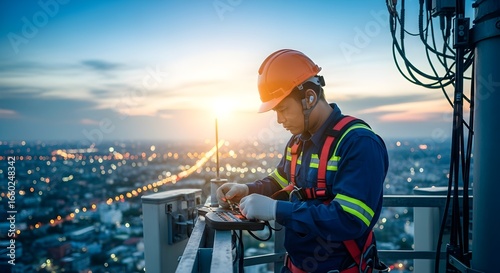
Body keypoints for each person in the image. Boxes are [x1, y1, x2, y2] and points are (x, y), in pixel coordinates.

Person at [217, 49, 389, 273]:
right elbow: (280, 181)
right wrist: (246, 189)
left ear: (309, 97)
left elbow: (349, 219)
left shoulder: (358, 143)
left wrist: (277, 210)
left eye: (283, 109)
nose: (279, 120)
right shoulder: (297, 143)